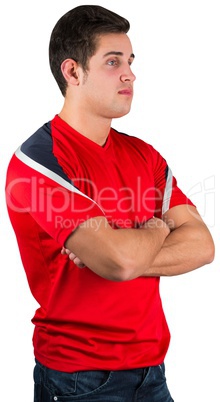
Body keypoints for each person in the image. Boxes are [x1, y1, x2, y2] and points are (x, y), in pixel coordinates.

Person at [5, 5, 215, 402]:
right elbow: (118, 262)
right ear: (73, 72)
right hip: (78, 380)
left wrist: (122, 252)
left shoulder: (145, 155)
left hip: (153, 372)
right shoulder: (38, 162)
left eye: (131, 61)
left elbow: (203, 247)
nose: (130, 74)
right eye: (113, 61)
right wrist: (155, 228)